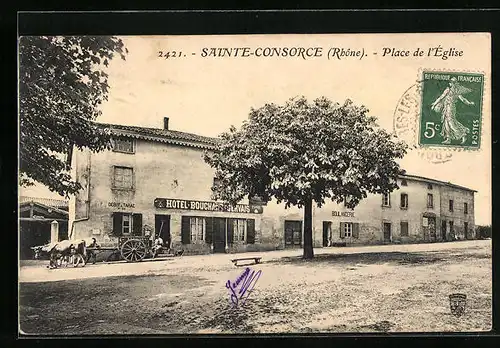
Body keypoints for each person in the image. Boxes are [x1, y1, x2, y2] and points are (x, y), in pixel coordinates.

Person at [430, 77, 475, 145]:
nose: (451, 84)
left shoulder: (457, 91)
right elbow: (441, 97)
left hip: (451, 108)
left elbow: (463, 99)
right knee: (446, 123)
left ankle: (463, 135)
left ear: (455, 83)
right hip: (446, 107)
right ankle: (448, 139)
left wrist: (469, 103)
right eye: (451, 82)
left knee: (451, 122)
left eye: (452, 83)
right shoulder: (448, 90)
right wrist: (434, 104)